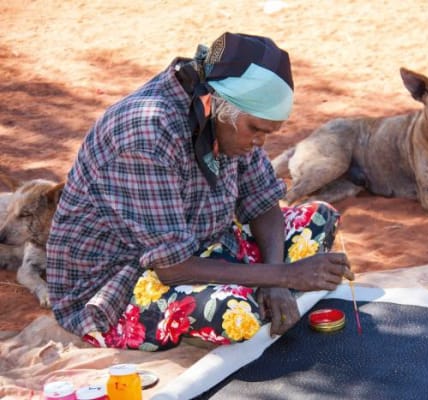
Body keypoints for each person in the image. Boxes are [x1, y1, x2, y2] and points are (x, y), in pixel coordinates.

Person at [46, 32, 353, 351]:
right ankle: (249, 295)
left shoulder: (223, 113)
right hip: (126, 279)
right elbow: (172, 267)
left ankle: (258, 289)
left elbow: (262, 202)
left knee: (320, 218)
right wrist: (284, 276)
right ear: (222, 106)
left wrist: (274, 280)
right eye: (256, 129)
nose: (260, 142)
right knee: (236, 315)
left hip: (204, 245)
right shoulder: (146, 135)